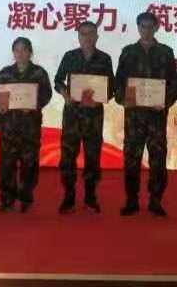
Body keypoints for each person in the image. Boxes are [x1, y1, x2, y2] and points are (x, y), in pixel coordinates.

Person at [115, 11, 177, 217]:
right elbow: (119, 82)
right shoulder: (128, 52)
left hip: (156, 116)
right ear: (138, 28)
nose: (147, 30)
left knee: (158, 159)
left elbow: (174, 83)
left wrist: (166, 101)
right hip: (134, 117)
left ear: (156, 28)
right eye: (143, 26)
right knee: (131, 159)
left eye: (151, 27)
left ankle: (155, 200)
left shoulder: (166, 52)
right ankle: (131, 200)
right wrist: (124, 99)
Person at [54, 21, 114, 214]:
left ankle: (90, 197)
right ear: (78, 36)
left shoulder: (104, 59)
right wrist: (65, 94)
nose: (87, 37)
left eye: (90, 34)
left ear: (97, 36)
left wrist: (101, 99)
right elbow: (58, 81)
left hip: (94, 116)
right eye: (83, 34)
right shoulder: (70, 56)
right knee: (68, 157)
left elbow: (111, 87)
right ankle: (69, 196)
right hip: (72, 115)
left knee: (92, 157)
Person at [0, 37, 53, 213]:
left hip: (30, 127)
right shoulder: (5, 73)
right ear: (13, 53)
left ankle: (26, 197)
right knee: (7, 164)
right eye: (17, 50)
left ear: (30, 52)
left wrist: (34, 104)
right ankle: (7, 199)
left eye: (24, 50)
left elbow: (47, 94)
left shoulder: (39, 73)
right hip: (8, 127)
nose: (20, 53)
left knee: (29, 164)